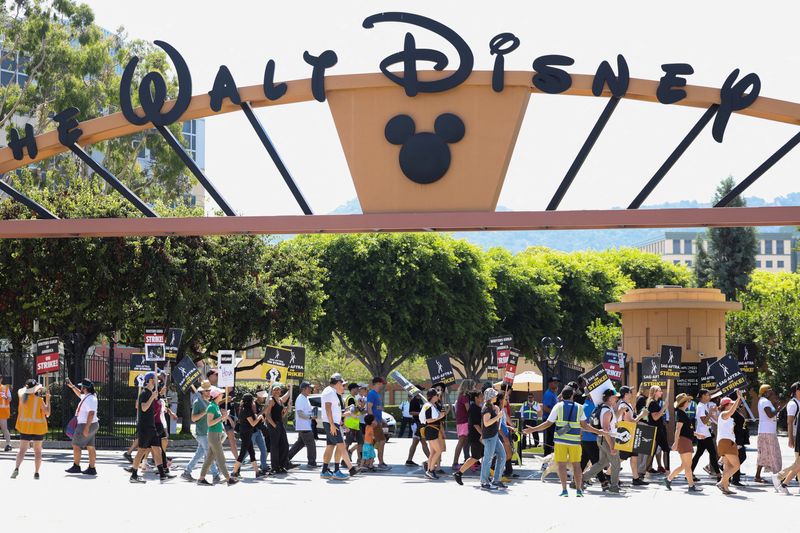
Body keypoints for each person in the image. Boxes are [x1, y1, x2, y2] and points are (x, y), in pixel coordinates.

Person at [524, 386, 604, 497]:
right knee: (577, 466)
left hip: (560, 441)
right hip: (575, 441)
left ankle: (564, 490)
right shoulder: (580, 408)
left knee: (561, 465)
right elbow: (585, 426)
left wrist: (532, 429)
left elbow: (548, 423)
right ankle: (579, 490)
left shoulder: (558, 406)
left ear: (562, 396)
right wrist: (599, 431)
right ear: (572, 396)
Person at [127, 373, 174, 483]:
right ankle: (134, 475)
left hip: (151, 426)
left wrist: (158, 395)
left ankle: (162, 474)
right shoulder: (144, 393)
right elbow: (143, 408)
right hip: (145, 427)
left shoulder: (150, 393)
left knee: (157, 450)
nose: (158, 381)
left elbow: (155, 406)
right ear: (151, 381)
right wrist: (152, 397)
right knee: (142, 450)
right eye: (156, 379)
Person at [584, 388, 623, 493]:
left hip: (602, 439)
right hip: (607, 439)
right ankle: (614, 487)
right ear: (610, 398)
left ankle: (580, 480)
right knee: (616, 463)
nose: (616, 399)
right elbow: (606, 429)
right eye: (615, 397)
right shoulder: (607, 411)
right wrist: (612, 446)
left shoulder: (603, 408)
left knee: (601, 463)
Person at [197, 387, 238, 486]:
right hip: (213, 434)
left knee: (210, 459)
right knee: (220, 458)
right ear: (216, 396)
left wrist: (223, 417)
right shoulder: (211, 407)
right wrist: (222, 417)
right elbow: (210, 423)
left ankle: (201, 479)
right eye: (221, 394)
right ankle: (229, 479)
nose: (223, 395)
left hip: (217, 434)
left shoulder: (215, 406)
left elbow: (218, 420)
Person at [320, 373, 358, 480]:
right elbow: (327, 409)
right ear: (337, 382)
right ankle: (348, 469)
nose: (343, 385)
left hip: (332, 423)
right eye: (341, 383)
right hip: (331, 424)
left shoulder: (333, 392)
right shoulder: (329, 392)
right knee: (341, 446)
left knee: (331, 446)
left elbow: (335, 411)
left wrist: (344, 418)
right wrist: (332, 424)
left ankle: (324, 471)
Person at [10, 380, 50, 479]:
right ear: (35, 389)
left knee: (22, 450)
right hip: (38, 429)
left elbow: (22, 390)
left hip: (25, 428)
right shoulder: (39, 400)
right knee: (38, 451)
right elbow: (47, 413)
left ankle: (16, 468)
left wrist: (33, 389)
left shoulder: (22, 397)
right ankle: (36, 473)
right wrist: (48, 400)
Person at [182, 381, 220, 482]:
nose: (208, 392)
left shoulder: (210, 402)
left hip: (209, 432)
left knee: (199, 454)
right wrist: (204, 412)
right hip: (202, 432)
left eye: (209, 390)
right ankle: (216, 475)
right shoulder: (197, 403)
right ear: (202, 392)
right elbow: (193, 418)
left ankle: (187, 472)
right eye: (206, 391)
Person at [665, 393, 702, 492]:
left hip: (686, 441)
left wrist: (696, 434)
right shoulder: (681, 414)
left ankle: (669, 479)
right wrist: (675, 443)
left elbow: (685, 430)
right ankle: (691, 486)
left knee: (684, 465)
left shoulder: (682, 413)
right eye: (688, 401)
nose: (689, 402)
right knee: (687, 466)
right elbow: (678, 429)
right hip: (684, 441)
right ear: (684, 403)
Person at [65, 379, 100, 476]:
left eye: (81, 386)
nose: (80, 388)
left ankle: (76, 466)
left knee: (76, 445)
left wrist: (86, 428)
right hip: (91, 424)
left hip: (85, 425)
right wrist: (72, 386)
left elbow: (91, 413)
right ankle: (92, 468)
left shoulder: (90, 399)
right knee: (90, 446)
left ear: (84, 388)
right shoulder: (88, 396)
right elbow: (80, 395)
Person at [617, 385, 648, 486]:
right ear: (626, 394)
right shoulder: (623, 405)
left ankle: (636, 478)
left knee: (634, 457)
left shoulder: (627, 404)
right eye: (630, 392)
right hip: (626, 435)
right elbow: (630, 422)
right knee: (621, 458)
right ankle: (608, 474)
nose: (632, 394)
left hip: (631, 434)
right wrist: (641, 415)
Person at [231, 393, 266, 479]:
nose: (254, 402)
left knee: (252, 452)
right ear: (249, 401)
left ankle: (257, 472)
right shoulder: (246, 410)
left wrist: (258, 416)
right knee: (243, 453)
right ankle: (234, 472)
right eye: (252, 400)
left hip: (247, 432)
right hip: (246, 433)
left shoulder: (246, 409)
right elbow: (253, 423)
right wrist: (260, 416)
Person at [755, 384, 783, 489]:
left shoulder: (764, 401)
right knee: (774, 454)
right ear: (765, 392)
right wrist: (778, 408)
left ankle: (757, 476)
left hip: (766, 431)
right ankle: (779, 476)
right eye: (770, 390)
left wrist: (775, 406)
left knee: (763, 455)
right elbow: (770, 415)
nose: (772, 391)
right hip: (768, 433)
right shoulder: (765, 402)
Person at [479, 388, 507, 490]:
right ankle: (484, 481)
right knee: (488, 459)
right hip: (489, 436)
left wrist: (497, 411)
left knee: (502, 455)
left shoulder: (491, 407)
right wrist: (498, 416)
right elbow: (486, 423)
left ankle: (496, 479)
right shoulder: (486, 408)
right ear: (490, 397)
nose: (496, 396)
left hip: (493, 435)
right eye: (494, 395)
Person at [716, 391, 744, 495]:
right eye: (731, 404)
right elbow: (731, 411)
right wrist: (738, 399)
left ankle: (725, 488)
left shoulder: (725, 416)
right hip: (726, 442)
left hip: (726, 442)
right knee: (736, 466)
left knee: (727, 467)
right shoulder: (724, 414)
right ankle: (722, 482)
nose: (733, 405)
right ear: (726, 405)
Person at [454, 390, 484, 485]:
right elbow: (475, 425)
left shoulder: (478, 407)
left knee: (482, 456)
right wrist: (483, 435)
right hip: (475, 437)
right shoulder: (474, 409)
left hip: (478, 436)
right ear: (476, 398)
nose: (482, 398)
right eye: (481, 396)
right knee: (475, 457)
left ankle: (487, 476)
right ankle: (459, 473)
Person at [690, 388, 720, 480]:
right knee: (712, 453)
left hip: (705, 432)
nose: (709, 396)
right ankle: (719, 475)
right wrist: (710, 413)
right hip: (703, 433)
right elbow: (704, 421)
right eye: (708, 395)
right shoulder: (700, 407)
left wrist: (713, 411)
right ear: (703, 396)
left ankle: (689, 472)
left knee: (699, 453)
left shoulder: (704, 405)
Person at [265, 382, 293, 474]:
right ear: (272, 391)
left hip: (279, 424)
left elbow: (282, 415)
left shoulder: (280, 401)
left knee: (284, 444)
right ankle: (275, 467)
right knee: (275, 446)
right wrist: (274, 425)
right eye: (275, 389)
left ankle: (282, 465)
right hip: (273, 425)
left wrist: (287, 408)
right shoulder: (271, 400)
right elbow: (267, 414)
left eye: (278, 389)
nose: (277, 391)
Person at [420, 388, 448, 480]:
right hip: (431, 430)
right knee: (438, 450)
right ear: (432, 396)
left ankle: (429, 470)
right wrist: (439, 417)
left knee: (433, 452)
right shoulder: (428, 406)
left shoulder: (433, 405)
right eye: (436, 395)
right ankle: (430, 470)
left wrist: (441, 415)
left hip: (433, 430)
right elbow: (428, 420)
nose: (438, 396)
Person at [288, 381, 317, 467]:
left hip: (304, 425)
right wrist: (310, 417)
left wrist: (311, 414)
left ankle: (285, 459)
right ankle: (312, 462)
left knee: (299, 444)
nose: (310, 389)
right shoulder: (300, 398)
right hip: (304, 426)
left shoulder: (305, 398)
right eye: (309, 388)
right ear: (304, 389)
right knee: (311, 444)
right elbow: (300, 414)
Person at [366, 376, 391, 470]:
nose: (382, 385)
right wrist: (374, 421)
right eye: (381, 383)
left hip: (377, 421)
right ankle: (380, 463)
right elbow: (369, 408)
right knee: (382, 441)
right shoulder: (372, 394)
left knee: (373, 442)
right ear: (377, 383)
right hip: (374, 422)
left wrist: (382, 420)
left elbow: (377, 408)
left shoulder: (376, 394)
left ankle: (369, 462)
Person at [645, 385, 670, 474]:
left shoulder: (655, 402)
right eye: (659, 391)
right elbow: (655, 417)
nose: (661, 392)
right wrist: (664, 408)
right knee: (665, 449)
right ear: (655, 392)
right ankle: (667, 470)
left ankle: (646, 469)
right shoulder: (652, 403)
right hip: (656, 430)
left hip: (658, 430)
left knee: (654, 451)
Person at [453, 379, 474, 469]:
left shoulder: (462, 396)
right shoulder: (464, 397)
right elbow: (469, 410)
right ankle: (455, 463)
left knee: (464, 442)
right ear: (468, 387)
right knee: (461, 442)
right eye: (472, 386)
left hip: (461, 422)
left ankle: (465, 461)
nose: (474, 388)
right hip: (464, 422)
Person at [405, 390, 429, 466]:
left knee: (416, 443)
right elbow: (411, 412)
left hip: (421, 424)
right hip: (416, 424)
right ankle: (432, 459)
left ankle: (409, 460)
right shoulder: (413, 401)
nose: (421, 392)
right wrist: (421, 413)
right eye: (420, 390)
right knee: (423, 442)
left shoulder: (421, 400)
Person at [344, 382, 364, 466]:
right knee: (348, 443)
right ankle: (344, 459)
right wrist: (360, 407)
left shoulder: (353, 398)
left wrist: (360, 407)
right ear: (352, 389)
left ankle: (359, 459)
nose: (358, 390)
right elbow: (352, 411)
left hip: (355, 424)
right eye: (357, 388)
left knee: (360, 442)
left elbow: (357, 411)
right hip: (350, 424)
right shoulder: (350, 398)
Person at [252, 389, 270, 475]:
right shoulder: (254, 404)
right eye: (262, 397)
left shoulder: (258, 404)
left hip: (258, 430)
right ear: (258, 396)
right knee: (248, 451)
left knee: (264, 450)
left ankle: (264, 467)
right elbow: (255, 416)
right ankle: (237, 466)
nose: (263, 398)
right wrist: (264, 410)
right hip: (253, 431)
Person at [542, 376, 560, 456]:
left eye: (557, 382)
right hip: (549, 420)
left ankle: (548, 460)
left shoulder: (553, 394)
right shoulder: (549, 394)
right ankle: (546, 460)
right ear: (549, 383)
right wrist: (555, 414)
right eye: (554, 382)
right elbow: (545, 408)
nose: (556, 384)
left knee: (552, 440)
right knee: (550, 441)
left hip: (552, 420)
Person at [0, 375, 11, 451]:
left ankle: (8, 444)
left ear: (1, 379)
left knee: (4, 428)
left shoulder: (5, 388)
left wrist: (6, 398)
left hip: (3, 412)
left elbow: (10, 399)